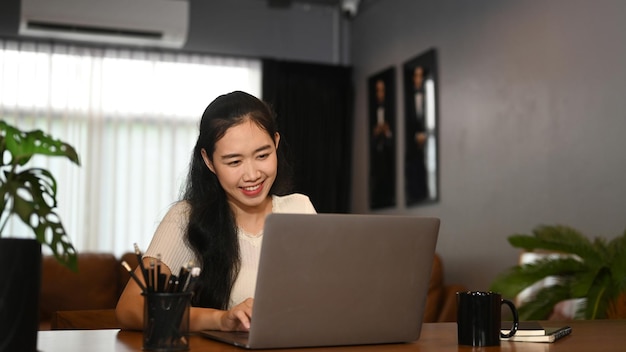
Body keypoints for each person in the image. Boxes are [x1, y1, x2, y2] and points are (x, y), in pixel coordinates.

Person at [115, 91, 316, 332]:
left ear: (276, 142)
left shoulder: (299, 208)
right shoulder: (186, 218)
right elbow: (129, 309)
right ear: (209, 161)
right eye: (234, 162)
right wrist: (221, 320)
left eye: (263, 155)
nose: (252, 175)